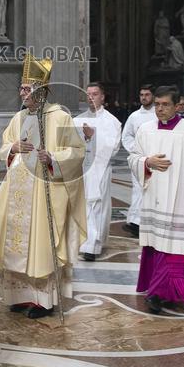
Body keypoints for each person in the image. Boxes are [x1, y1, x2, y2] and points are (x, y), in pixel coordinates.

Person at [0, 55, 85, 319]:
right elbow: (3, 147)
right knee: (15, 242)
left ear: (41, 90)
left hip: (45, 192)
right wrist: (13, 148)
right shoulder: (18, 117)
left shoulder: (60, 117)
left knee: (40, 245)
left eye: (26, 88)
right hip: (16, 192)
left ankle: (42, 300)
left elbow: (77, 151)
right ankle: (19, 297)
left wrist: (53, 158)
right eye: (21, 88)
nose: (22, 93)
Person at [127, 85, 184, 313]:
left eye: (165, 104)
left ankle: (159, 292)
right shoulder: (145, 129)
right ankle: (166, 290)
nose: (160, 109)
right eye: (157, 104)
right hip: (153, 197)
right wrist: (146, 162)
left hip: (180, 201)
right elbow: (132, 157)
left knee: (175, 246)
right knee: (157, 245)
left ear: (177, 106)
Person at [73, 83, 122, 262]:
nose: (91, 97)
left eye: (95, 94)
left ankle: (93, 245)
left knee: (97, 206)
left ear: (102, 97)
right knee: (82, 205)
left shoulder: (112, 122)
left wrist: (92, 136)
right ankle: (83, 241)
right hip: (82, 169)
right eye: (88, 94)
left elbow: (113, 149)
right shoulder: (77, 119)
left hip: (100, 169)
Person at [121, 84, 157, 238]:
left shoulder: (159, 113)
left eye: (147, 94)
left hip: (156, 159)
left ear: (153, 96)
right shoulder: (134, 116)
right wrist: (135, 150)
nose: (144, 97)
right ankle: (135, 222)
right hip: (139, 159)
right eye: (142, 94)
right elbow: (126, 135)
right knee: (138, 189)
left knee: (154, 191)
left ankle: (150, 222)